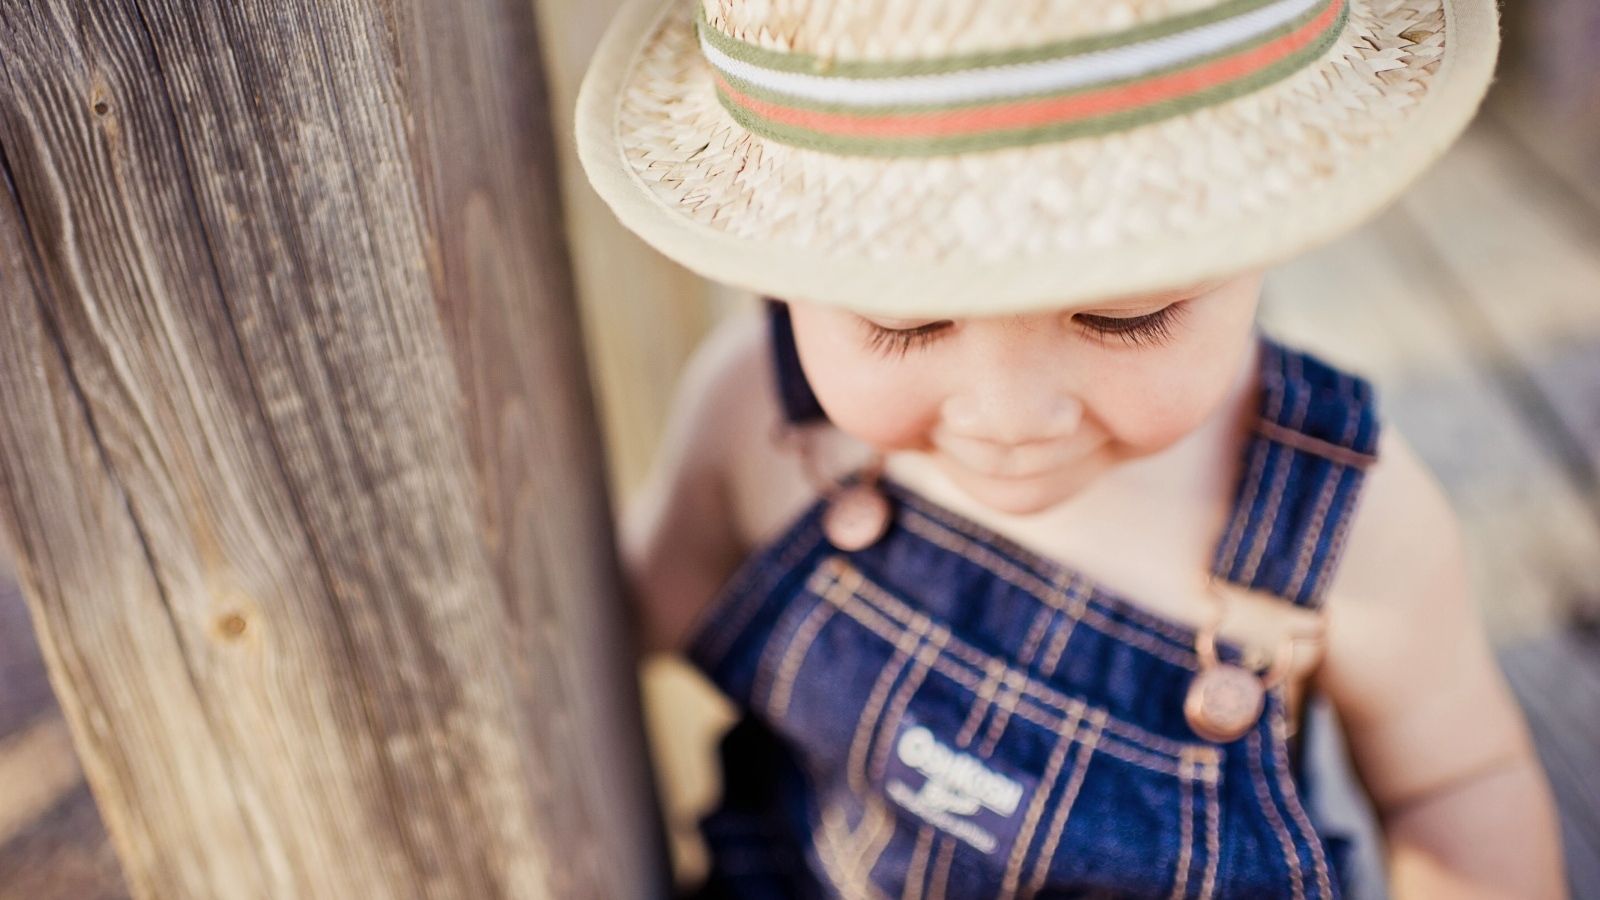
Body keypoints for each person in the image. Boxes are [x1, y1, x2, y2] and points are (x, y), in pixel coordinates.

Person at [576, 0, 1567, 896]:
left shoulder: (1342, 524)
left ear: (1279, 224)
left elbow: (1457, 790)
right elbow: (595, 642)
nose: (1010, 415)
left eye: (1125, 315)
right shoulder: (763, 423)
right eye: (904, 322)